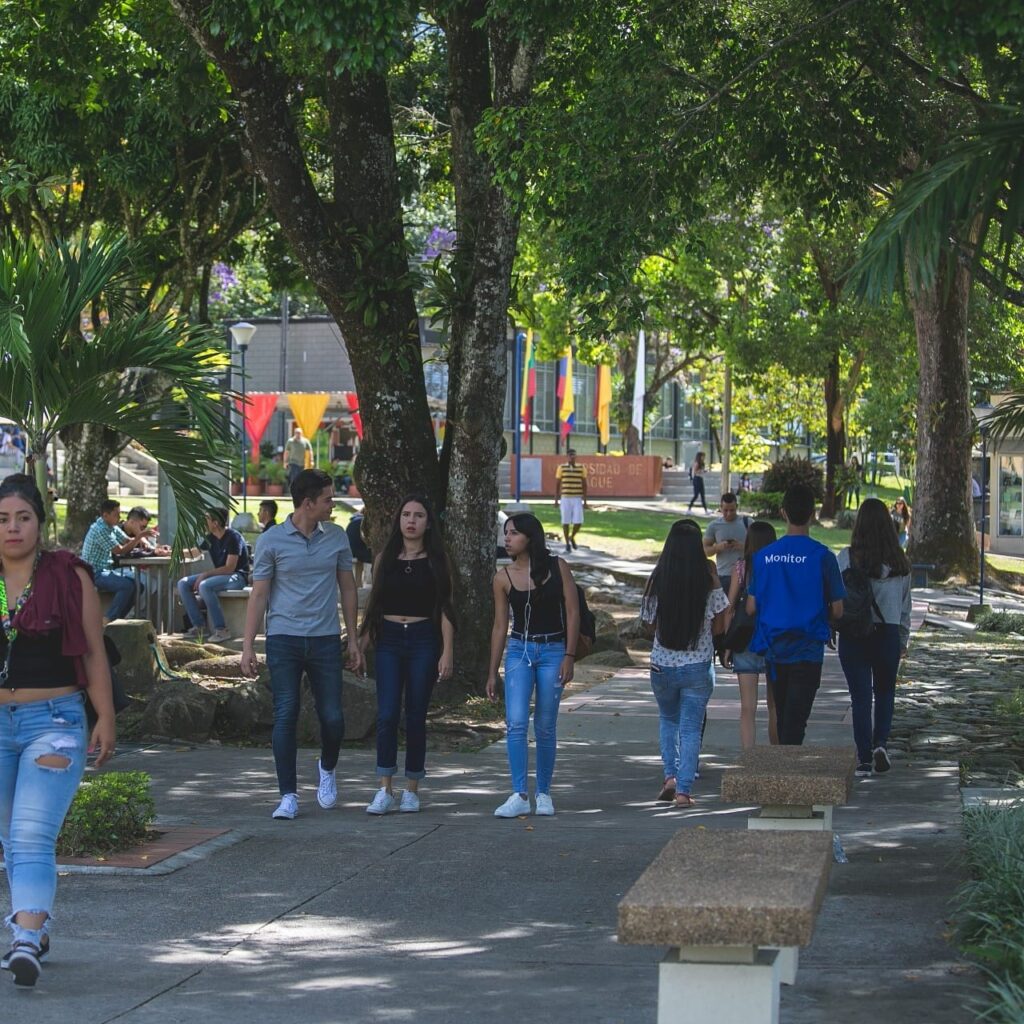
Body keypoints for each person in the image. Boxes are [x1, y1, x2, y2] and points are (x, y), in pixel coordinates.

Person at [0, 475, 115, 987]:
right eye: (2, 519)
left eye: (23, 517)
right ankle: (34, 924)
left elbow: (92, 650)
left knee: (30, 835)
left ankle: (24, 940)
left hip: (55, 721)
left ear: (40, 524)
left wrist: (105, 717)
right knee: (10, 839)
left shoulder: (69, 576)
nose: (12, 528)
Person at [241, 469, 363, 820]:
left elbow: (348, 589)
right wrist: (248, 646)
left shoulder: (337, 537)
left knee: (333, 717)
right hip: (284, 639)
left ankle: (327, 768)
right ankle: (288, 795)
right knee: (286, 714)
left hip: (325, 638)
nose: (332, 505)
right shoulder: (272, 540)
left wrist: (352, 639)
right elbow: (259, 593)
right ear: (308, 503)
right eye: (327, 499)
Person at [357, 496, 456, 814]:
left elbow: (445, 609)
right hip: (388, 640)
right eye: (406, 514)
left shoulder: (438, 560)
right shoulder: (385, 556)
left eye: (419, 515)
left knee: (415, 716)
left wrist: (447, 652)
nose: (411, 520)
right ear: (398, 520)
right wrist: (360, 642)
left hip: (423, 640)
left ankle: (412, 788)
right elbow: (376, 603)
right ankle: (384, 788)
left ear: (429, 522)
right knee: (386, 715)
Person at [487, 513, 579, 817]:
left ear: (530, 536)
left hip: (553, 649)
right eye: (506, 534)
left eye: (513, 533)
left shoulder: (557, 567)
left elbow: (572, 610)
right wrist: (492, 671)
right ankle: (519, 793)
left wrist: (570, 654)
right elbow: (500, 626)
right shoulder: (503, 577)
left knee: (545, 725)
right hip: (519, 650)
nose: (507, 539)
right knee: (515, 722)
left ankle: (544, 792)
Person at [746, 484, 845, 746]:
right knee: (796, 721)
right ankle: (790, 775)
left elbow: (752, 606)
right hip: (808, 648)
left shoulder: (764, 557)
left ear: (783, 512)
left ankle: (783, 773)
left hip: (775, 649)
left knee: (780, 715)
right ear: (813, 514)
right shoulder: (823, 557)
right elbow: (838, 609)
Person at [641, 520, 729, 807]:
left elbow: (649, 624)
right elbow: (721, 624)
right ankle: (684, 791)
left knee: (668, 720)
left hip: (662, 664)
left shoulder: (658, 577)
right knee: (691, 728)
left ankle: (670, 777)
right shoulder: (709, 574)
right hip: (698, 665)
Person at [837, 498, 912, 776]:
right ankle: (881, 742)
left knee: (859, 698)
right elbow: (906, 607)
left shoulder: (845, 557)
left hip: (855, 633)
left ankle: (864, 759)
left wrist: (832, 626)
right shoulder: (900, 562)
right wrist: (903, 640)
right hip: (887, 633)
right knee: (884, 692)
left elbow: (835, 596)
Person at [725, 521, 779, 748]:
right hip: (773, 640)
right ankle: (777, 756)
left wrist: (727, 644)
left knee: (748, 708)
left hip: (745, 640)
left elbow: (729, 608)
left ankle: (749, 760)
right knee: (774, 706)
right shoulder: (777, 568)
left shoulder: (741, 567)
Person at [177, 507, 250, 643]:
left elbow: (230, 568)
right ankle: (199, 627)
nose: (203, 522)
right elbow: (194, 552)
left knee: (205, 586)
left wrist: (205, 575)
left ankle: (221, 630)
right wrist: (172, 552)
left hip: (237, 577)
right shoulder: (210, 538)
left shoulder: (234, 537)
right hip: (222, 576)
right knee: (183, 583)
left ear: (215, 523)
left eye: (206, 519)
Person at [80, 499, 154, 623]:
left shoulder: (111, 527)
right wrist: (139, 537)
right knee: (126, 586)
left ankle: (118, 619)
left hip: (106, 570)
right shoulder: (100, 529)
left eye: (119, 514)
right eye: (116, 515)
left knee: (139, 586)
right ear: (105, 515)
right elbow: (120, 550)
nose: (119, 517)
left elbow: (126, 540)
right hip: (94, 573)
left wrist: (140, 537)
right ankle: (108, 619)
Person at [702, 493, 749, 592]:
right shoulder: (714, 526)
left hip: (744, 575)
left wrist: (742, 546)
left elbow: (759, 549)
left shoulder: (748, 523)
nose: (729, 513)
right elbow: (704, 551)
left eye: (732, 510)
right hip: (723, 575)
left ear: (737, 507)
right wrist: (717, 547)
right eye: (725, 510)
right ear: (720, 508)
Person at [554, 448, 588, 552]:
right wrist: (556, 499)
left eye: (574, 455)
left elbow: (584, 484)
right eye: (570, 455)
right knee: (565, 521)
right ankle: (567, 544)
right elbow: (558, 483)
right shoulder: (562, 468)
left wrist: (585, 500)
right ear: (567, 456)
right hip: (565, 498)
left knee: (578, 521)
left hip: (577, 498)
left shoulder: (581, 468)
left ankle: (571, 536)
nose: (572, 457)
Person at [346, 512, 373, 588]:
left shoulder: (352, 523)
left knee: (359, 560)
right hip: (361, 552)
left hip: (350, 550)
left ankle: (358, 584)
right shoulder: (363, 522)